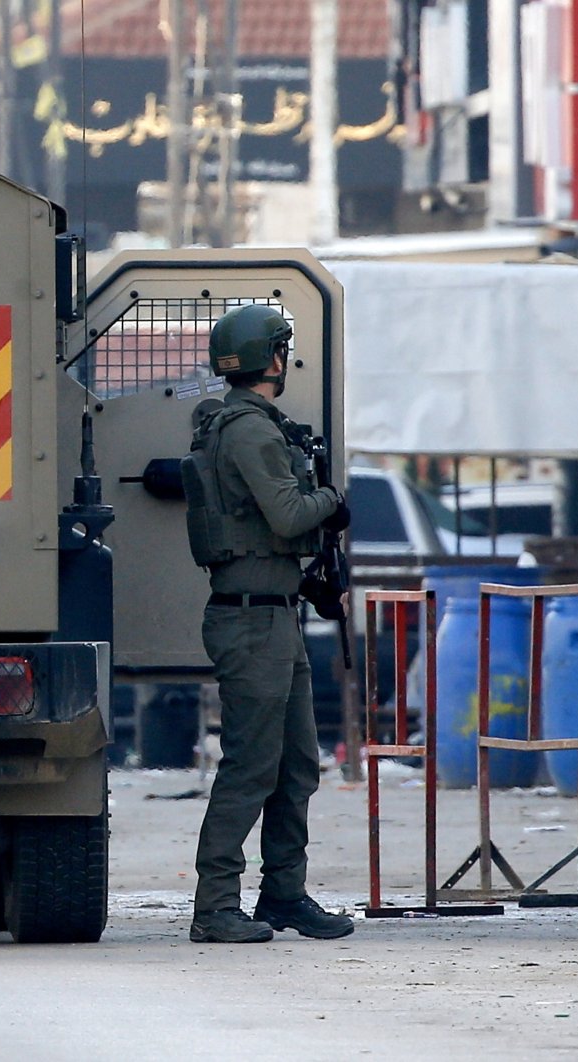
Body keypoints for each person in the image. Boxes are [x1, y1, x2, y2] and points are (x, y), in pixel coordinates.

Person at [180, 304, 354, 944]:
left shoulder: (246, 424)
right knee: (252, 766)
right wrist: (333, 502)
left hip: (274, 614)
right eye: (282, 348)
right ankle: (216, 907)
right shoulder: (249, 430)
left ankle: (283, 894)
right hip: (252, 622)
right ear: (269, 357)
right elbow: (285, 515)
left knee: (297, 765)